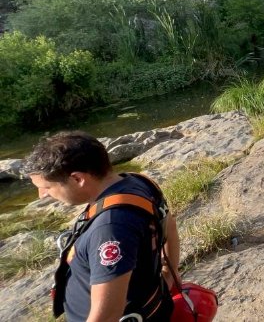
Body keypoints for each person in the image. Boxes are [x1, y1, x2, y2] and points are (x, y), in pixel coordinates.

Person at [24, 131, 180, 322]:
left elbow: (107, 315)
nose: (42, 195)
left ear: (77, 179)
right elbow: (169, 226)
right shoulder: (138, 182)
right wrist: (170, 273)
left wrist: (169, 274)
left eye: (47, 187)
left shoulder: (110, 229)